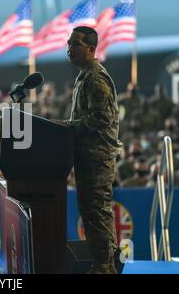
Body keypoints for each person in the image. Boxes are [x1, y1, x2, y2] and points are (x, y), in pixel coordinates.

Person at [65, 26, 123, 274]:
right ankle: (105, 264)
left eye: (75, 44)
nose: (69, 49)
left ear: (90, 48)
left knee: (96, 212)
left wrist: (66, 126)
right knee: (92, 212)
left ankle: (104, 266)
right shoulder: (85, 76)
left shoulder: (97, 79)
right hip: (87, 156)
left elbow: (101, 119)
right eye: (69, 43)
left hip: (97, 158)